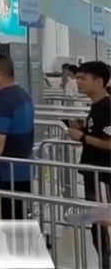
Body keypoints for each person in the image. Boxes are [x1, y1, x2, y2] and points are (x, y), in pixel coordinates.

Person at [0, 53, 34, 219]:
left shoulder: (3, 102)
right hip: (22, 167)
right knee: (20, 215)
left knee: (10, 218)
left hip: (7, 171)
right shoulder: (22, 94)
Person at [68, 61, 111, 269]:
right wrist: (84, 130)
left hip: (102, 176)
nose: (78, 82)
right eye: (77, 78)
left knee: (103, 224)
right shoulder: (96, 107)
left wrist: (82, 137)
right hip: (93, 174)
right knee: (97, 224)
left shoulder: (106, 108)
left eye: (82, 78)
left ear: (99, 81)